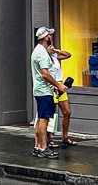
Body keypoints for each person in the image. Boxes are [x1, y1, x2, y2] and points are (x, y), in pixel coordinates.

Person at [30, 26, 66, 159]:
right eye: (49, 35)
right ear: (46, 38)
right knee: (44, 119)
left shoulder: (37, 51)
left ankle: (38, 147)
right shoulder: (43, 53)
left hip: (41, 90)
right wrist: (58, 85)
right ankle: (44, 147)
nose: (51, 37)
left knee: (41, 118)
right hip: (44, 91)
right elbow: (45, 74)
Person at [49, 42, 77, 148]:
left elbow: (68, 55)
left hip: (60, 84)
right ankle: (48, 138)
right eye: (49, 46)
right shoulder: (44, 58)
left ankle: (65, 137)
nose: (51, 47)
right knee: (51, 114)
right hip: (51, 85)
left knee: (67, 112)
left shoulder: (55, 56)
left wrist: (56, 51)